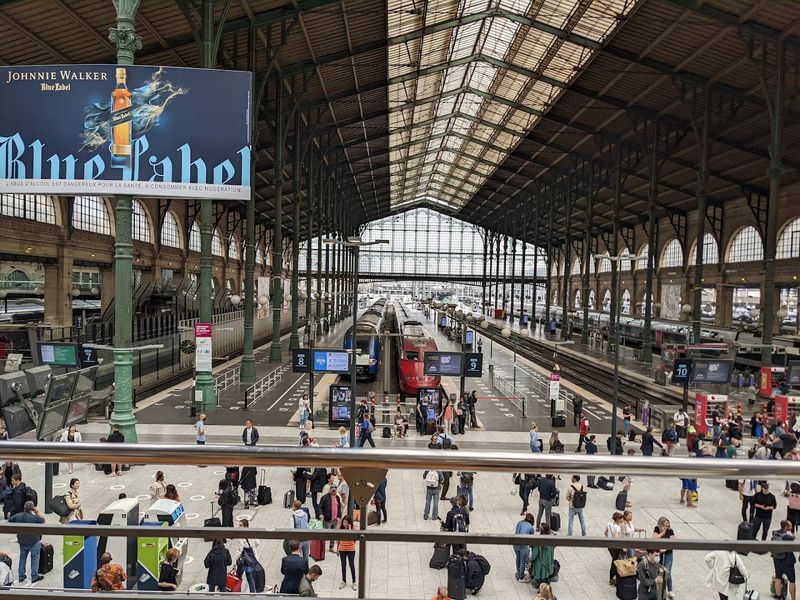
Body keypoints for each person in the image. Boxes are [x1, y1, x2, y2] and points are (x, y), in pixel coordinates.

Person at [9, 501, 44, 583]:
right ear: (32, 508)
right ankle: (34, 576)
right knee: (35, 558)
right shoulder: (34, 518)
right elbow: (43, 520)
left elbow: (10, 519)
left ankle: (21, 575)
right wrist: (37, 512)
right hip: (34, 540)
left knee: (22, 558)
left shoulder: (18, 516)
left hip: (22, 540)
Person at [772, 519, 797, 600]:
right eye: (790, 526)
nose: (791, 527)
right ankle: (793, 598)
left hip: (777, 559)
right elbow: (793, 540)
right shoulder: (787, 537)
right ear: (786, 527)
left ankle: (778, 596)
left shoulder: (775, 533)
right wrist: (793, 536)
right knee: (792, 581)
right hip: (787, 561)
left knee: (778, 577)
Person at [653, 516, 675, 598]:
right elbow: (654, 538)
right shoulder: (657, 529)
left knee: (667, 572)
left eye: (668, 525)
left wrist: (665, 549)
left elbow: (673, 542)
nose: (666, 527)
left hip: (668, 554)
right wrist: (662, 533)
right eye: (664, 525)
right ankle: (658, 588)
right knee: (658, 571)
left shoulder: (670, 531)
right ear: (660, 524)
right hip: (658, 554)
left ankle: (670, 590)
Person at [236, 519, 260, 593]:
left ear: (245, 526)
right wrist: (252, 548)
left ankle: (236, 591)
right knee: (250, 577)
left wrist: (236, 560)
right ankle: (252, 593)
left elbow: (239, 550)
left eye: (241, 525)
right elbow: (258, 542)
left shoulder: (241, 537)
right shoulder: (252, 533)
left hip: (243, 560)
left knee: (238, 577)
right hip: (251, 559)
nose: (239, 527)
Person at [529, 522, 555, 587]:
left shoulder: (539, 541)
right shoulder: (553, 539)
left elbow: (535, 554)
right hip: (548, 561)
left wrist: (531, 560)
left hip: (540, 563)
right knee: (546, 575)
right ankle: (547, 585)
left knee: (541, 577)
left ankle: (542, 589)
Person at [319, 485, 342, 552]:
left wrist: (339, 517)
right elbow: (319, 507)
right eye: (332, 490)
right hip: (327, 519)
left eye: (335, 490)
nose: (333, 491)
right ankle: (321, 548)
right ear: (330, 490)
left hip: (335, 520)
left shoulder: (337, 497)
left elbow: (339, 508)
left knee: (333, 534)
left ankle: (331, 547)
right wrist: (320, 514)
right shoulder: (324, 498)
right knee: (326, 535)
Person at [605, 512, 625, 586]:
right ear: (617, 519)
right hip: (616, 547)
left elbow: (605, 533)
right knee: (615, 562)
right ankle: (612, 579)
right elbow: (616, 538)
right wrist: (618, 535)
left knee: (614, 561)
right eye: (620, 518)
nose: (622, 520)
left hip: (609, 546)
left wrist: (609, 538)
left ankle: (613, 578)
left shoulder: (609, 524)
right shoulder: (618, 527)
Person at [513, 513, 535, 582]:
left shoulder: (519, 522)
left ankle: (518, 572)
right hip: (523, 545)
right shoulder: (531, 527)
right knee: (523, 561)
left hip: (515, 543)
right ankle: (521, 577)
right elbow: (531, 540)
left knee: (518, 558)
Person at [337, 515, 357, 590]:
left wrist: (349, 529)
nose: (345, 524)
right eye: (344, 522)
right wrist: (338, 549)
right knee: (343, 565)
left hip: (351, 549)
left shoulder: (353, 528)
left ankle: (354, 582)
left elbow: (354, 538)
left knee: (352, 565)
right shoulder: (340, 529)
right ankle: (344, 581)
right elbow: (338, 539)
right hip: (342, 549)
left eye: (346, 522)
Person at [291, 499, 310, 564]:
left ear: (294, 507)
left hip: (298, 540)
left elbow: (291, 529)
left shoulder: (293, 517)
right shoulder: (305, 514)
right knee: (306, 556)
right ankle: (306, 570)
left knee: (298, 557)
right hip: (306, 538)